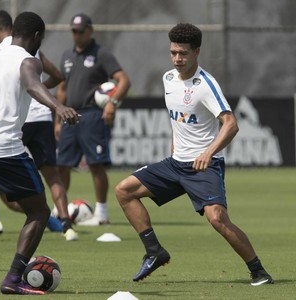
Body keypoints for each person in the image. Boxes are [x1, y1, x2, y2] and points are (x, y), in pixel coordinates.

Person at [115, 23, 274, 286]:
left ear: (197, 52)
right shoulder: (167, 79)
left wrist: (209, 153)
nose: (177, 58)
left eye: (183, 53)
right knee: (124, 191)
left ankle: (259, 271)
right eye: (173, 52)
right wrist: (174, 149)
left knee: (218, 220)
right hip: (175, 164)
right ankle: (154, 252)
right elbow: (178, 120)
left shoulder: (206, 84)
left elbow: (231, 123)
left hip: (204, 167)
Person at [0, 11, 79, 294]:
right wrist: (58, 107)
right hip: (3, 147)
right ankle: (12, 279)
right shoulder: (28, 59)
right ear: (36, 37)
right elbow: (33, 84)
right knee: (39, 211)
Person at [56, 13, 130, 225]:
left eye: (80, 31)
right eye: (73, 31)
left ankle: (101, 213)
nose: (76, 35)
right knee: (62, 165)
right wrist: (57, 120)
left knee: (96, 165)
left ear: (90, 30)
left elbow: (124, 80)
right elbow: (62, 88)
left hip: (92, 115)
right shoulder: (67, 56)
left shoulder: (101, 54)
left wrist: (112, 103)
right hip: (69, 115)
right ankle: (59, 210)